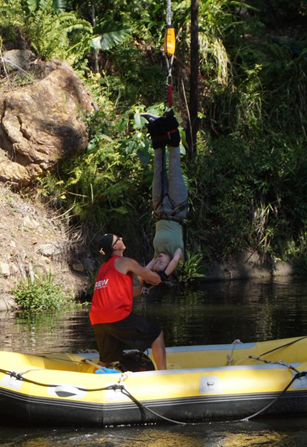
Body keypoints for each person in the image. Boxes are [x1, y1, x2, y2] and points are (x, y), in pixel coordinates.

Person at [89, 233, 167, 370]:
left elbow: (128, 293)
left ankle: (95, 376)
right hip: (116, 316)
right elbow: (155, 278)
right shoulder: (124, 261)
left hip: (97, 318)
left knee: (106, 359)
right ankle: (163, 375)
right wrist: (161, 276)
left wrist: (144, 288)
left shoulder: (104, 268)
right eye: (118, 239)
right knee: (157, 334)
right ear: (115, 248)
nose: (122, 238)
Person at [142, 109, 188, 280]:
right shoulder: (177, 253)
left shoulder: (156, 253)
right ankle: (170, 124)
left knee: (158, 169)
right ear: (168, 265)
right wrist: (163, 277)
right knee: (174, 167)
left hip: (159, 208)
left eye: (156, 263)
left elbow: (145, 269)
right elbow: (175, 261)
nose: (158, 261)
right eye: (161, 264)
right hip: (177, 207)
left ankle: (155, 127)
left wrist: (144, 281)